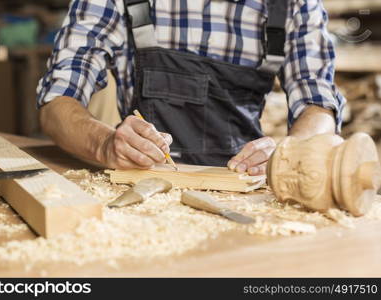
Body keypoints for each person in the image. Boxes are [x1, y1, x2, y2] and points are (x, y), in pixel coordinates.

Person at [37, 0, 345, 175]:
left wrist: (287, 154)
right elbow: (57, 103)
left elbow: (317, 105)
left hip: (243, 188)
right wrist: (104, 144)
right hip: (145, 187)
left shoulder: (294, 5)